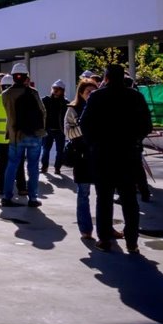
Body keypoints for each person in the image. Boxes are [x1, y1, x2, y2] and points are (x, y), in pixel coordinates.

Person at [80, 64, 153, 253]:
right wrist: (135, 140)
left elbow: (84, 123)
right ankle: (132, 242)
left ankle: (104, 239)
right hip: (128, 155)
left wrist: (93, 144)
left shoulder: (97, 96)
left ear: (106, 78)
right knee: (129, 200)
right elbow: (147, 125)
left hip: (103, 156)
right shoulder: (135, 97)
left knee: (104, 199)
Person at [1, 62, 47, 207]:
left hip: (15, 136)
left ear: (13, 77)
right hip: (34, 134)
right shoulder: (33, 92)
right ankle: (33, 198)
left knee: (12, 166)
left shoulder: (6, 95)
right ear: (26, 77)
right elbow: (43, 112)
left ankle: (7, 197)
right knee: (33, 167)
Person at [65, 79, 99, 240]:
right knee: (83, 193)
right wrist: (85, 126)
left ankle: (107, 228)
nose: (91, 95)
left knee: (104, 196)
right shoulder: (73, 110)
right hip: (82, 156)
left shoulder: (102, 108)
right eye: (88, 92)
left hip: (99, 156)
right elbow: (68, 133)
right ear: (81, 93)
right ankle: (85, 229)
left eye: (94, 92)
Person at [41, 79, 68, 175]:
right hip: (48, 129)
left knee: (60, 150)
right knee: (46, 149)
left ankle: (57, 168)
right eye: (54, 88)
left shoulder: (65, 103)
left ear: (62, 90)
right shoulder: (46, 100)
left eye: (58, 89)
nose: (55, 90)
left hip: (60, 130)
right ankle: (44, 167)